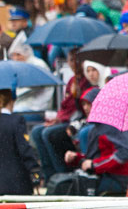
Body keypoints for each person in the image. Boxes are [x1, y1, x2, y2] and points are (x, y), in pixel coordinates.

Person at [31, 48, 92, 182]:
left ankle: (61, 175)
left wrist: (78, 93)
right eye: (70, 60)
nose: (73, 63)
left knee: (49, 133)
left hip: (78, 120)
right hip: (66, 118)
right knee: (37, 131)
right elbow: (65, 105)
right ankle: (49, 175)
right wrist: (57, 119)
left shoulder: (87, 81)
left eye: (76, 60)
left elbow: (81, 108)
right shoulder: (72, 81)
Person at [8, 43, 54, 113]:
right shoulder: (21, 66)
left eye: (18, 54)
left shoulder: (38, 64)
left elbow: (35, 85)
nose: (15, 58)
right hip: (25, 102)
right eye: (13, 55)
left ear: (26, 53)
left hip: (38, 105)